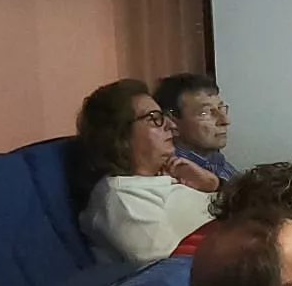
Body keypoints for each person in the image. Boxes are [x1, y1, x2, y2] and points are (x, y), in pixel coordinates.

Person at [75, 79, 219, 264]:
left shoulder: (169, 177)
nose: (172, 126)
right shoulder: (121, 197)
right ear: (121, 136)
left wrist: (212, 185)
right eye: (154, 118)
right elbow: (170, 272)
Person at [153, 72, 238, 183]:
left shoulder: (214, 159)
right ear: (172, 122)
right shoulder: (174, 175)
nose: (225, 121)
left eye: (220, 108)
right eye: (205, 113)